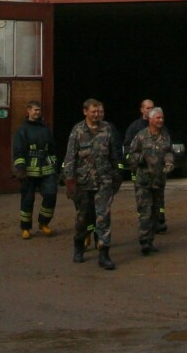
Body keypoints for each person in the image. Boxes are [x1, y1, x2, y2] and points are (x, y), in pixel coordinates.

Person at [63, 97, 121, 269]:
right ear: (85, 112)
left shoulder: (107, 129)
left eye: (99, 111)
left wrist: (117, 174)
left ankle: (104, 253)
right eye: (93, 111)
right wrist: (70, 180)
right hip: (83, 182)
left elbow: (113, 154)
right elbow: (70, 157)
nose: (96, 115)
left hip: (104, 181)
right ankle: (79, 245)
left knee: (103, 217)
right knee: (83, 217)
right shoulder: (77, 130)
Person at [124, 106, 175, 255]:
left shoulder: (165, 136)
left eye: (162, 118)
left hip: (158, 181)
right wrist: (141, 159)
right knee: (145, 211)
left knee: (155, 212)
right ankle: (144, 241)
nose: (161, 120)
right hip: (143, 181)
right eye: (158, 118)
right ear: (151, 119)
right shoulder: (140, 136)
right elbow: (130, 155)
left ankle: (150, 240)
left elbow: (168, 152)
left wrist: (169, 163)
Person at [11, 100, 58, 238]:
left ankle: (44, 223)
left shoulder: (45, 129)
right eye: (35, 110)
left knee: (50, 195)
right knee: (27, 199)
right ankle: (25, 228)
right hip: (29, 171)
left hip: (46, 169)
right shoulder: (22, 130)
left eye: (39, 110)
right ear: (28, 111)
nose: (37, 112)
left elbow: (52, 149)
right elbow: (18, 151)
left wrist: (55, 166)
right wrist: (20, 168)